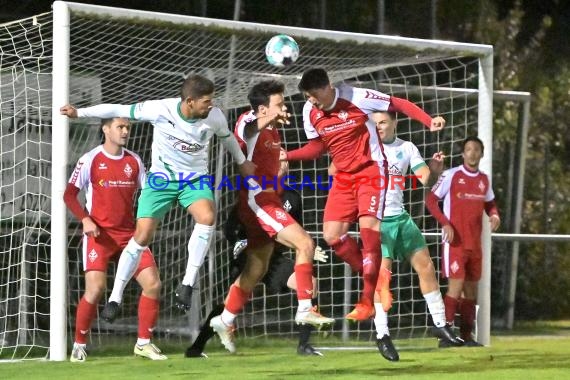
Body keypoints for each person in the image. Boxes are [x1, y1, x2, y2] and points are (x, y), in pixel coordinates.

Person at [60, 74, 256, 321]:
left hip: (193, 180)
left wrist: (242, 161)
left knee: (207, 217)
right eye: (206, 101)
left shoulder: (214, 116)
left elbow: (227, 137)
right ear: (189, 101)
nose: (211, 105)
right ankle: (115, 297)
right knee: (142, 236)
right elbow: (118, 109)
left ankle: (186, 284)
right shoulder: (160, 109)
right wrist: (80, 113)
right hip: (161, 180)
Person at [282, 68, 445, 322]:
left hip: (371, 172)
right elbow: (316, 149)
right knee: (332, 236)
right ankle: (379, 284)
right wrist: (287, 155)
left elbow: (397, 103)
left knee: (370, 236)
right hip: (344, 178)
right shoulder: (309, 110)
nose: (311, 100)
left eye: (314, 95)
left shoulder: (356, 96)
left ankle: (367, 300)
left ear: (327, 87)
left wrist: (428, 120)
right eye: (307, 96)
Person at [209, 80, 334, 354]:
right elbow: (249, 128)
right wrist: (268, 117)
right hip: (257, 200)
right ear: (263, 108)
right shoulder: (248, 122)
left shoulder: (274, 131)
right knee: (305, 244)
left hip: (266, 200)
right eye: (279, 104)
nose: (284, 108)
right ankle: (305, 309)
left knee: (256, 269)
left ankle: (225, 319)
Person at [362, 111, 463, 361]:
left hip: (402, 219)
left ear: (395, 123)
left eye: (383, 122)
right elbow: (335, 170)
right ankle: (382, 334)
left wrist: (436, 169)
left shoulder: (407, 148)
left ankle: (440, 324)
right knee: (382, 279)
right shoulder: (366, 149)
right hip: (378, 222)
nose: (379, 127)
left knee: (426, 267)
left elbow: (426, 179)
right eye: (375, 124)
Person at [64, 117, 166, 362]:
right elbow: (69, 195)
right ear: (106, 129)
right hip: (99, 236)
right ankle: (79, 344)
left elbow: (149, 192)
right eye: (120, 127)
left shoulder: (134, 160)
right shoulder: (90, 159)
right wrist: (85, 220)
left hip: (129, 236)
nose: (125, 131)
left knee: (153, 284)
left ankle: (143, 343)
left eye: (128, 127)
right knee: (96, 288)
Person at [185, 188, 328, 357]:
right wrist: (240, 242)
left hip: (275, 259)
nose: (282, 165)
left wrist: (306, 246)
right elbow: (231, 228)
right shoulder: (255, 195)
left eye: (285, 162)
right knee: (229, 304)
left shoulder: (293, 197)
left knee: (309, 283)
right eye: (279, 161)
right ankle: (196, 347)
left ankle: (304, 345)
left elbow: (296, 231)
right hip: (248, 256)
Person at [425, 136, 500, 347]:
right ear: (463, 153)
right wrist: (445, 224)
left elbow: (490, 203)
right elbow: (431, 200)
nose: (473, 153)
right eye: (468, 149)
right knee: (455, 288)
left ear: (482, 154)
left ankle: (467, 337)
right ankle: (446, 337)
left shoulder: (484, 180)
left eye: (476, 149)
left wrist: (494, 215)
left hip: (475, 244)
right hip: (455, 242)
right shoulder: (451, 175)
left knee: (471, 291)